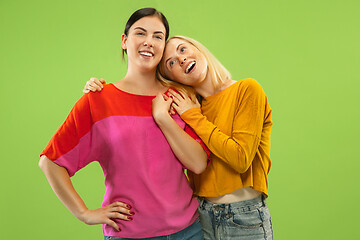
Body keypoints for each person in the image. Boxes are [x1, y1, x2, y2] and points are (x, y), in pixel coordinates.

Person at [39, 9, 210, 240]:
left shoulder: (178, 97)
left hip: (189, 230)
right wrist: (84, 213)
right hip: (128, 234)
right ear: (124, 41)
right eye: (141, 33)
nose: (149, 42)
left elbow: (199, 164)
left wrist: (163, 118)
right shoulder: (98, 99)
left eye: (158, 36)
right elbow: (50, 161)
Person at [85, 35, 273, 240]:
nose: (181, 59)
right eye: (171, 63)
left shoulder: (246, 90)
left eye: (182, 50)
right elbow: (136, 113)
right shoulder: (182, 106)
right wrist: (100, 91)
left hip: (244, 219)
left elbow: (240, 158)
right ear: (172, 77)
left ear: (198, 48)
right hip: (200, 219)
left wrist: (193, 115)